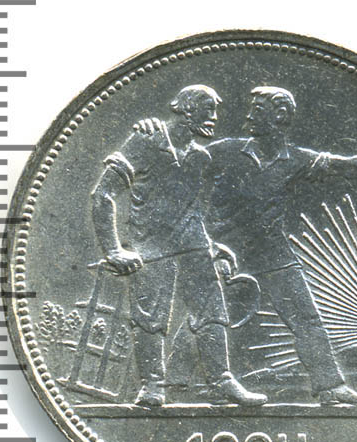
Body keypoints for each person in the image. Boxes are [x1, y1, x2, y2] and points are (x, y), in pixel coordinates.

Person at [199, 86, 357, 405]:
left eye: (258, 110)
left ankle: (330, 387)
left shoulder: (294, 159)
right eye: (251, 109)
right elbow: (182, 169)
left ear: (280, 116)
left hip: (272, 252)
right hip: (223, 252)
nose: (249, 116)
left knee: (307, 319)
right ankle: (181, 383)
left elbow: (341, 165)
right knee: (206, 317)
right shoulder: (225, 151)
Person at [91, 85, 267, 407]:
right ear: (187, 110)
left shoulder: (201, 156)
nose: (214, 118)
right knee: (150, 318)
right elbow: (103, 194)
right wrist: (113, 249)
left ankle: (221, 381)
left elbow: (194, 211)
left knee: (213, 313)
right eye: (208, 110)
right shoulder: (147, 140)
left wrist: (213, 247)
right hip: (151, 248)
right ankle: (152, 385)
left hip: (195, 247)